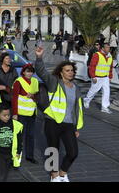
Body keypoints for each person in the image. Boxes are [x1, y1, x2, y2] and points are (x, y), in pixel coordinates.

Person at [35, 46, 84, 182]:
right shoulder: (54, 82)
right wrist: (39, 58)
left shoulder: (76, 88)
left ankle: (62, 173)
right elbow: (41, 72)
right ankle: (54, 175)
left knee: (73, 152)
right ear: (61, 73)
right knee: (53, 150)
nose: (70, 72)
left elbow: (76, 109)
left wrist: (76, 127)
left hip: (68, 124)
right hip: (52, 121)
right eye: (67, 70)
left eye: (72, 70)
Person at [11, 63, 39, 164]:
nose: (29, 73)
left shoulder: (35, 81)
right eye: (28, 71)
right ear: (23, 72)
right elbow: (14, 98)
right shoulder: (18, 82)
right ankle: (16, 156)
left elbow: (38, 96)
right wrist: (15, 113)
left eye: (31, 71)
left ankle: (29, 156)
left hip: (32, 113)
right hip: (21, 113)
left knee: (31, 135)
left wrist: (34, 96)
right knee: (19, 135)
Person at [84, 42, 114, 113]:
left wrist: (110, 77)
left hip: (105, 78)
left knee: (107, 92)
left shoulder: (110, 56)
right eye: (107, 47)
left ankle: (104, 107)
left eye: (109, 47)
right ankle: (86, 100)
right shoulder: (97, 55)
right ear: (103, 48)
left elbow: (110, 68)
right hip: (97, 77)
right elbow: (92, 66)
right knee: (93, 91)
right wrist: (93, 76)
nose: (108, 49)